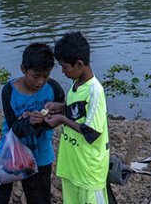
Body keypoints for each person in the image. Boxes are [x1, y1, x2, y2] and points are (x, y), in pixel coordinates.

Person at [0, 43, 65, 204]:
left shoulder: (53, 89)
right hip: (10, 150)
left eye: (45, 76)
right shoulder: (9, 91)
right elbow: (15, 127)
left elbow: (60, 115)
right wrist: (30, 122)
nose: (40, 82)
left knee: (39, 198)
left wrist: (43, 121)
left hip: (40, 154)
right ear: (23, 69)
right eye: (35, 76)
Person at [44, 32, 110, 204]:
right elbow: (78, 111)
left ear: (79, 64)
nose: (63, 71)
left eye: (65, 67)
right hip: (72, 166)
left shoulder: (95, 91)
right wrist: (60, 107)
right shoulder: (76, 85)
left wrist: (61, 119)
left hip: (89, 171)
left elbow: (92, 132)